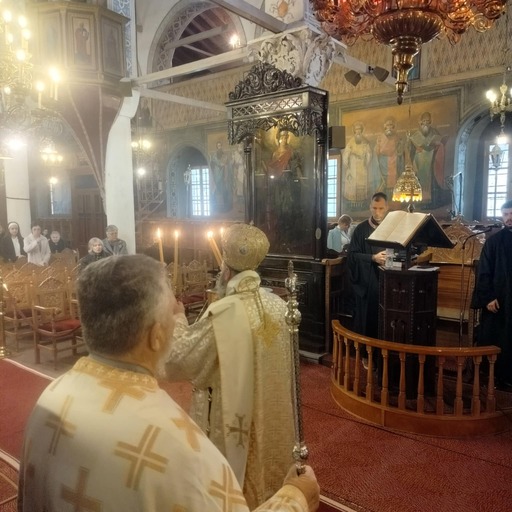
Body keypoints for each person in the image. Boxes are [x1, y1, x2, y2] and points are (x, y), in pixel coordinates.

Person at [18, 254, 319, 512]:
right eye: (170, 315)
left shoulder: (49, 400)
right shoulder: (180, 450)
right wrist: (295, 496)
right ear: (156, 336)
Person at [166, 223, 297, 509]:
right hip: (272, 412)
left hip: (232, 417)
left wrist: (177, 319)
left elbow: (180, 359)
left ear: (226, 271)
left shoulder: (225, 312)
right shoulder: (278, 304)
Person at [471, 199, 512, 391]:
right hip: (499, 302)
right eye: (505, 214)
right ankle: (497, 377)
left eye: (511, 214)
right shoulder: (494, 241)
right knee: (498, 337)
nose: (509, 218)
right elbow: (484, 271)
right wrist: (487, 297)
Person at [347, 192, 389, 341]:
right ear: (370, 207)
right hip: (369, 281)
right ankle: (367, 350)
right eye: (374, 208)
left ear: (387, 208)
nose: (377, 212)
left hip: (390, 280)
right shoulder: (361, 229)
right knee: (368, 318)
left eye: (381, 208)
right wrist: (373, 258)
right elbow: (352, 256)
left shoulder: (392, 228)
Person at [409, 111, 447, 204]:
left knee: (431, 181)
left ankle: (431, 201)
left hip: (431, 160)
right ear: (421, 122)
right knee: (419, 180)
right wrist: (415, 148)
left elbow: (439, 144)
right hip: (419, 161)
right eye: (424, 121)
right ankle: (420, 201)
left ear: (430, 122)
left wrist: (438, 144)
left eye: (428, 121)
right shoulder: (416, 134)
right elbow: (411, 149)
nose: (426, 123)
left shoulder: (434, 132)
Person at [374, 117, 405, 197]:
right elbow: (377, 151)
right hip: (384, 164)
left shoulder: (397, 137)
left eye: (391, 125)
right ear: (385, 126)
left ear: (393, 126)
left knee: (395, 184)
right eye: (387, 125)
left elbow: (400, 151)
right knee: (384, 183)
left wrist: (401, 147)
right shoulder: (380, 138)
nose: (389, 127)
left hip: (394, 163)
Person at [342, 122, 372, 202]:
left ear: (362, 130)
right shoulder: (350, 142)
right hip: (352, 166)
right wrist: (346, 163)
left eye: (359, 129)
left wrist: (366, 163)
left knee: (362, 183)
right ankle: (352, 200)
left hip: (361, 166)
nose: (358, 131)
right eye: (356, 129)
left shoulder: (365, 142)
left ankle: (362, 200)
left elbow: (369, 153)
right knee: (352, 183)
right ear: (354, 131)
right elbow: (346, 153)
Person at [210, 140, 233, 214]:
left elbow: (227, 163)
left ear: (221, 146)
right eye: (218, 146)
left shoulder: (225, 155)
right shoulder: (214, 156)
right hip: (216, 174)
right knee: (215, 189)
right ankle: (215, 207)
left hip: (223, 174)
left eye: (220, 145)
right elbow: (212, 164)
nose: (219, 147)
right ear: (217, 147)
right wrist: (219, 164)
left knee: (224, 189)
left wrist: (224, 165)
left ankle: (226, 207)